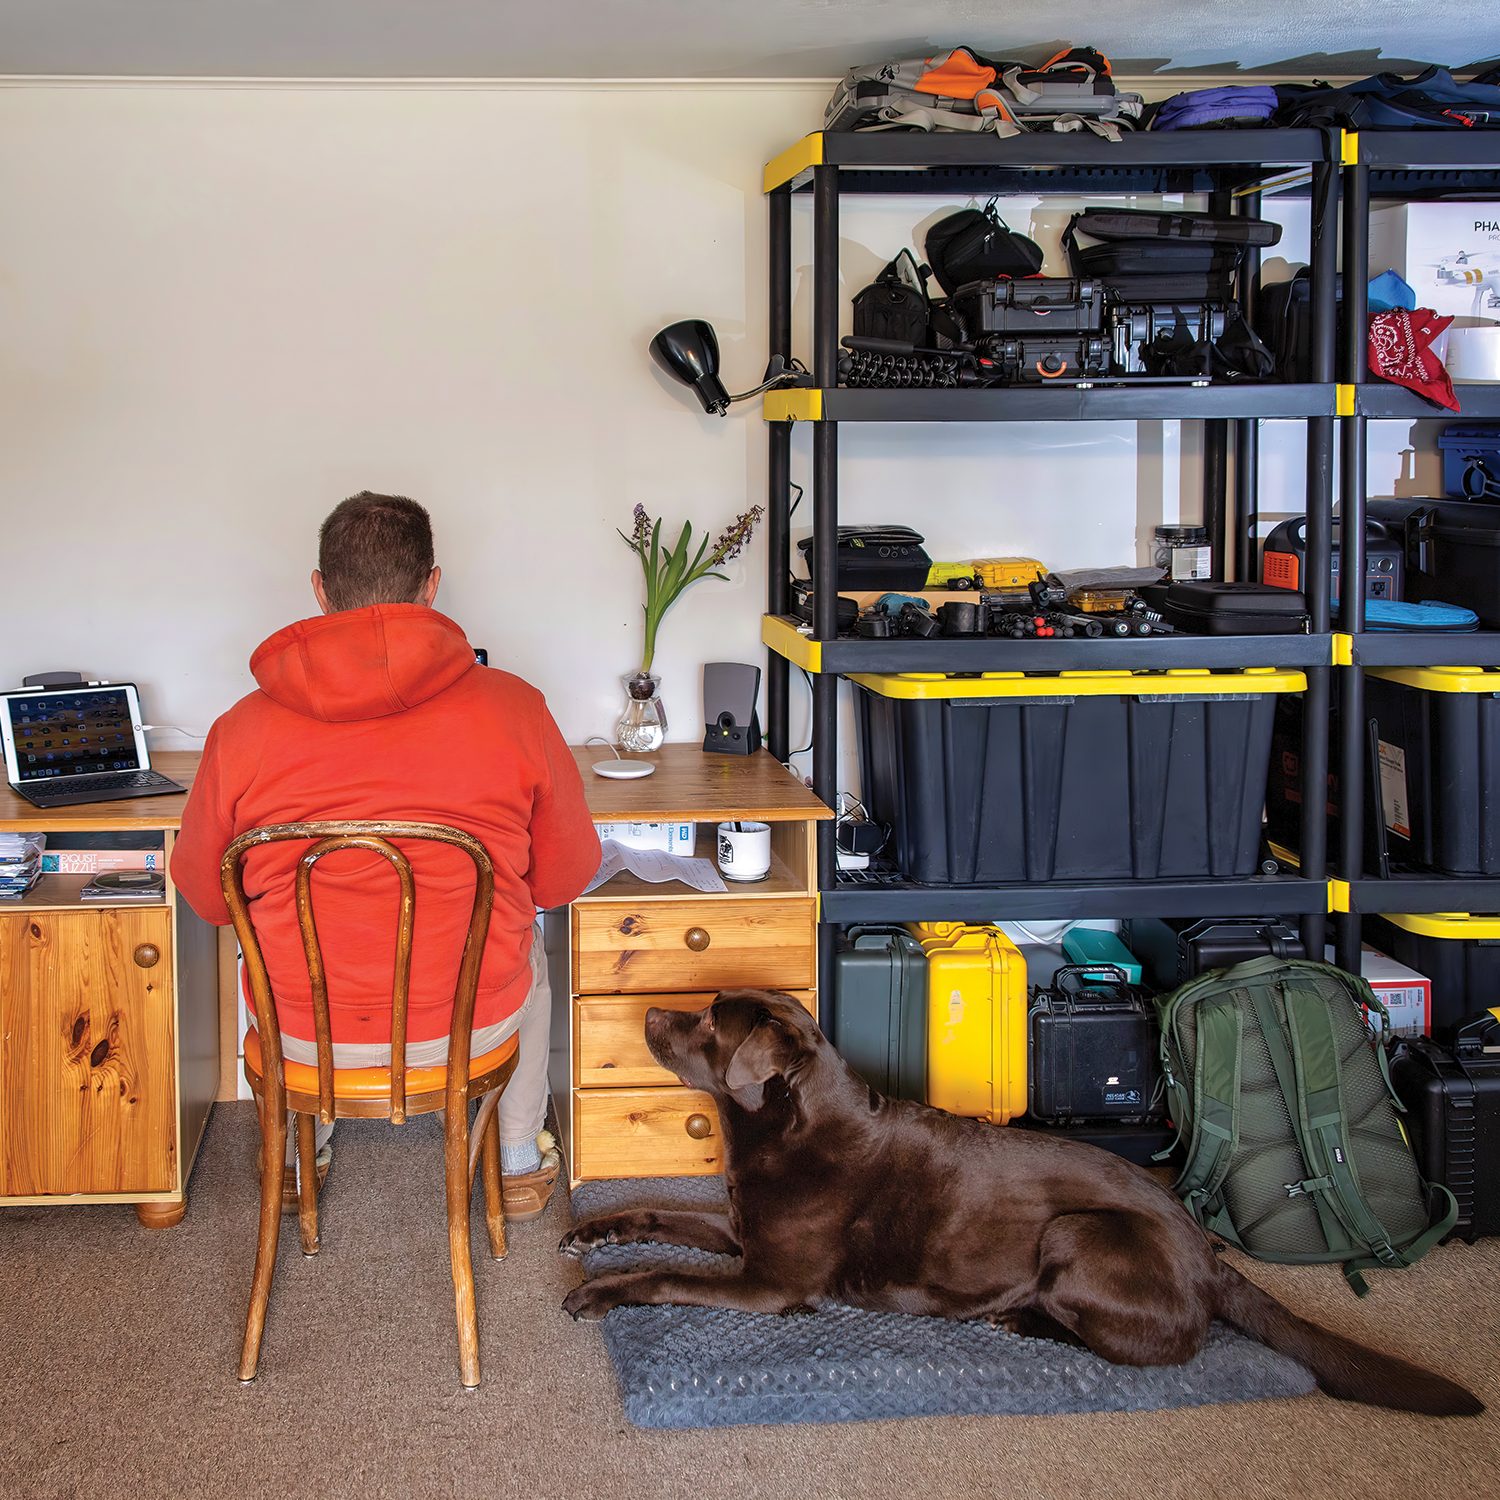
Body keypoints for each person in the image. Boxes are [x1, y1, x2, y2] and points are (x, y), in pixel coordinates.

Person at [172, 492, 599, 1220]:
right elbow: (563, 879)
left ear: (319, 588)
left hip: (303, 1034)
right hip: (470, 1025)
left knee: (258, 949)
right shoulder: (516, 706)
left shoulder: (239, 730)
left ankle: (300, 1150)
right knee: (532, 942)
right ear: (431, 586)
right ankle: (519, 1153)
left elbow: (209, 900)